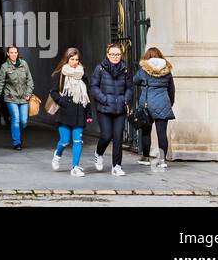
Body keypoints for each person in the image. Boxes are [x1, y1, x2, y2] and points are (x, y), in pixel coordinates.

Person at [90, 43, 135, 175]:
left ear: (121, 55)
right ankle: (98, 153)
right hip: (104, 108)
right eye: (112, 54)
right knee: (106, 135)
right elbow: (94, 87)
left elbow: (130, 88)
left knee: (118, 137)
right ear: (107, 55)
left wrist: (125, 100)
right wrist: (104, 99)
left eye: (118, 54)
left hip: (119, 108)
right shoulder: (100, 69)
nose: (115, 57)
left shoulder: (125, 69)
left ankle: (116, 166)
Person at [49, 48, 91, 177]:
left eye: (77, 59)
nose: (74, 62)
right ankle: (58, 154)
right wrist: (63, 102)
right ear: (67, 59)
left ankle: (75, 167)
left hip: (79, 111)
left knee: (78, 141)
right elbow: (53, 92)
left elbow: (86, 95)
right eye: (72, 59)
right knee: (65, 140)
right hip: (65, 111)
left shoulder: (83, 75)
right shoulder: (60, 74)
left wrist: (88, 114)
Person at [133, 47, 176, 168]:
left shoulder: (143, 70)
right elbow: (171, 89)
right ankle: (162, 160)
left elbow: (134, 80)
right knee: (162, 133)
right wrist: (169, 103)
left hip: (147, 104)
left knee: (146, 132)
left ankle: (145, 157)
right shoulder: (167, 70)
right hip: (163, 103)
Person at [0, 45, 34, 150]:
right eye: (11, 52)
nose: (14, 54)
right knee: (16, 119)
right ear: (8, 54)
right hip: (10, 97)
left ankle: (18, 136)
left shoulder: (24, 64)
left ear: (18, 53)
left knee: (23, 121)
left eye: (15, 52)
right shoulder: (4, 67)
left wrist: (29, 93)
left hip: (24, 97)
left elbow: (30, 81)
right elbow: (0, 83)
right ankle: (17, 142)